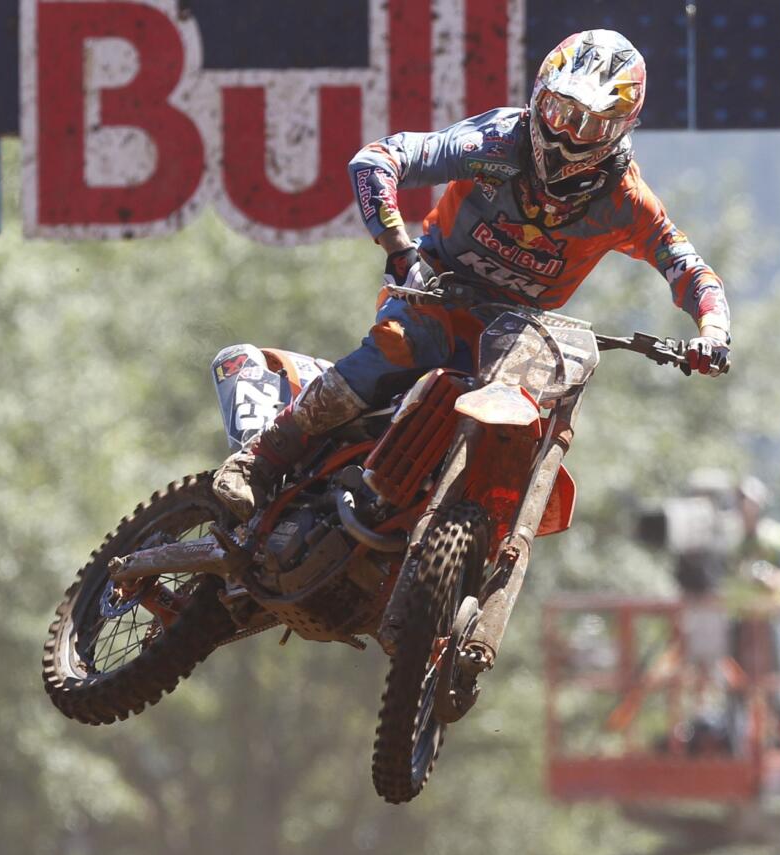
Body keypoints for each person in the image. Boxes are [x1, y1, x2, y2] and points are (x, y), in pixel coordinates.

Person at [214, 29, 732, 520]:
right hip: (434, 290)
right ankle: (260, 461)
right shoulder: (496, 142)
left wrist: (712, 332)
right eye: (558, 110)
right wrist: (399, 249)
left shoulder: (627, 204)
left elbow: (690, 269)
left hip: (515, 335)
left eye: (590, 126)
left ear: (619, 130)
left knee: (535, 424)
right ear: (539, 96)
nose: (567, 135)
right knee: (398, 346)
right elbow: (377, 159)